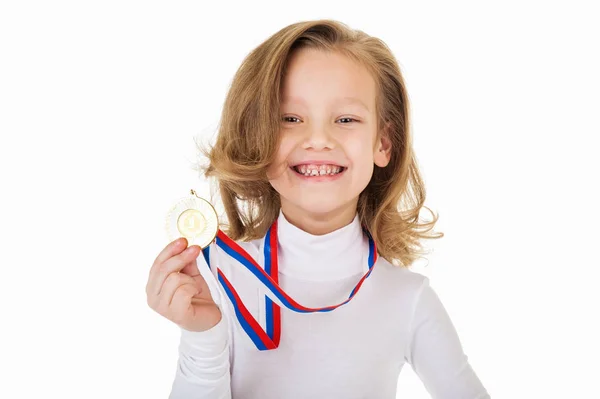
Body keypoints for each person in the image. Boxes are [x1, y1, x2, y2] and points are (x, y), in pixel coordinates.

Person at [146, 19, 490, 399]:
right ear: (258, 137)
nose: (319, 140)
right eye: (290, 119)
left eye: (346, 119)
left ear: (383, 143)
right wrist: (203, 338)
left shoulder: (408, 298)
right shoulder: (214, 281)